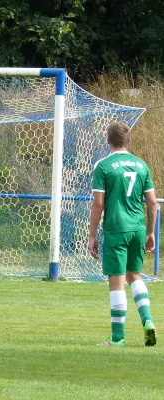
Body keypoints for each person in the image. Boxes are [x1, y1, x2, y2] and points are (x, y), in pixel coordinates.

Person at [89, 122, 157, 347]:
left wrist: (91, 235)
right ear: (127, 141)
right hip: (137, 228)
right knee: (135, 277)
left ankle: (117, 338)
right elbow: (153, 203)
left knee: (117, 284)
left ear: (107, 141)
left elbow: (98, 204)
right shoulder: (141, 165)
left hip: (116, 229)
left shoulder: (104, 166)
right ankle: (148, 321)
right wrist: (150, 232)